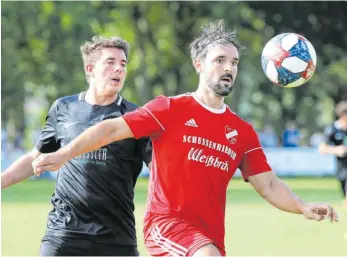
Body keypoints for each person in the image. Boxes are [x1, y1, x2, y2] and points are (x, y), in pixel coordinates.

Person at [32, 20, 338, 257]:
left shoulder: (242, 132)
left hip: (209, 238)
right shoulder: (169, 108)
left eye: (234, 62)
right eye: (220, 60)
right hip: (167, 227)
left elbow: (269, 184)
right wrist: (63, 154)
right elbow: (111, 129)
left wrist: (302, 206)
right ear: (199, 64)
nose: (228, 68)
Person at [1, 36, 152, 256]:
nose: (119, 68)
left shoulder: (135, 117)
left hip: (116, 238)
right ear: (91, 69)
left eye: (123, 64)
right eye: (110, 62)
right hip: (64, 233)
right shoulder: (63, 108)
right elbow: (35, 157)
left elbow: (161, 168)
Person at [319, 101, 347, 207]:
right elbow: (322, 148)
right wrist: (337, 150)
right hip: (342, 169)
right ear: (343, 116)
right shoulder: (332, 129)